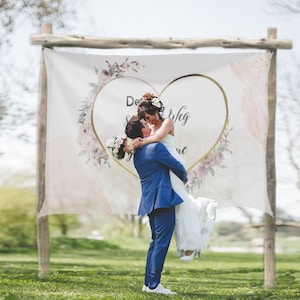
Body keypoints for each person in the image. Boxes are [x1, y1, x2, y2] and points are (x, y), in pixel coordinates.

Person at [126, 93, 217, 261]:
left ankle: (190, 245)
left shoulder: (167, 122)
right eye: (145, 119)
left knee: (181, 204)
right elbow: (151, 140)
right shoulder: (150, 129)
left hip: (172, 162)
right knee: (176, 206)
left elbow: (158, 139)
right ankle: (187, 241)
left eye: (149, 116)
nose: (149, 121)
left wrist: (137, 143)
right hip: (163, 166)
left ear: (156, 111)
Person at [121, 115, 188, 295]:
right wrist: (185, 177)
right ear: (143, 131)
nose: (150, 125)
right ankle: (154, 285)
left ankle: (148, 283)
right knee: (162, 243)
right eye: (146, 124)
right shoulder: (156, 148)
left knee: (155, 242)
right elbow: (177, 166)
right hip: (163, 199)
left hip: (149, 200)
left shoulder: (138, 153)